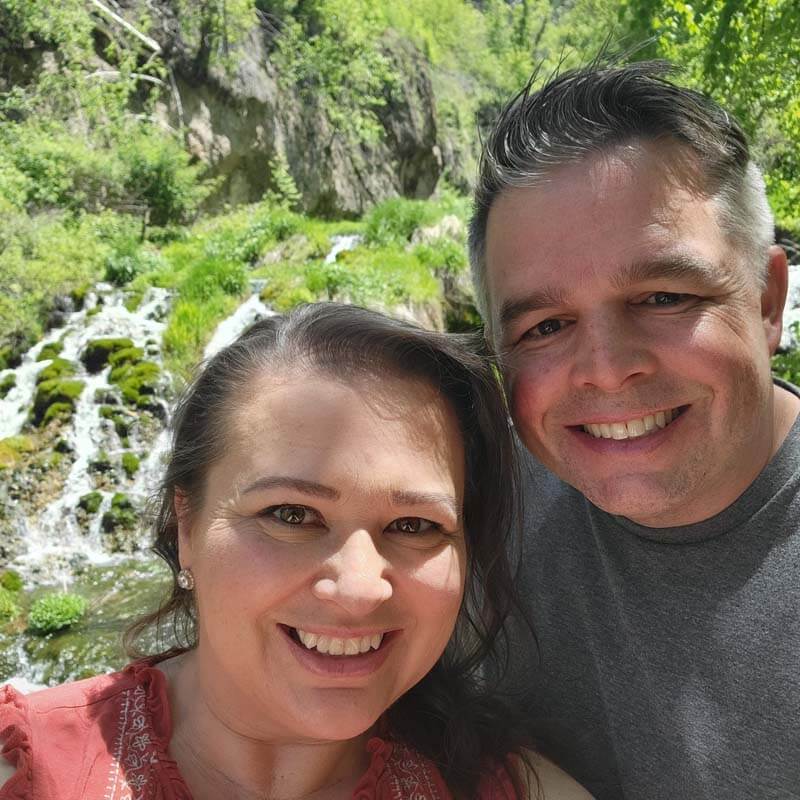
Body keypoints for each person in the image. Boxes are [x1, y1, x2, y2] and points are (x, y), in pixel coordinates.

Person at [0, 303, 591, 800]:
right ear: (186, 526)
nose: (360, 589)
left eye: (414, 525)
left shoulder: (518, 788)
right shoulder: (30, 771)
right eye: (291, 515)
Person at [468, 60, 800, 799]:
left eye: (662, 295)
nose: (608, 370)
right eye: (546, 326)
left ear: (768, 301)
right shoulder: (457, 515)